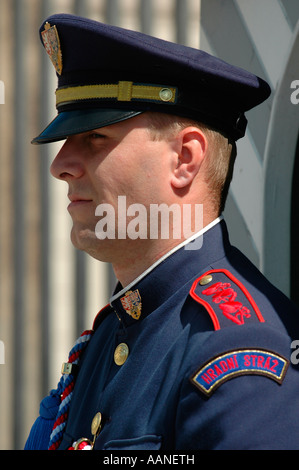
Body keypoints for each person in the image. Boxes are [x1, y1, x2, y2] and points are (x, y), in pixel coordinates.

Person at [25, 14, 299, 451]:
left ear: (185, 158)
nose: (60, 166)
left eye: (94, 136)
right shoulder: (111, 332)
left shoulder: (241, 352)